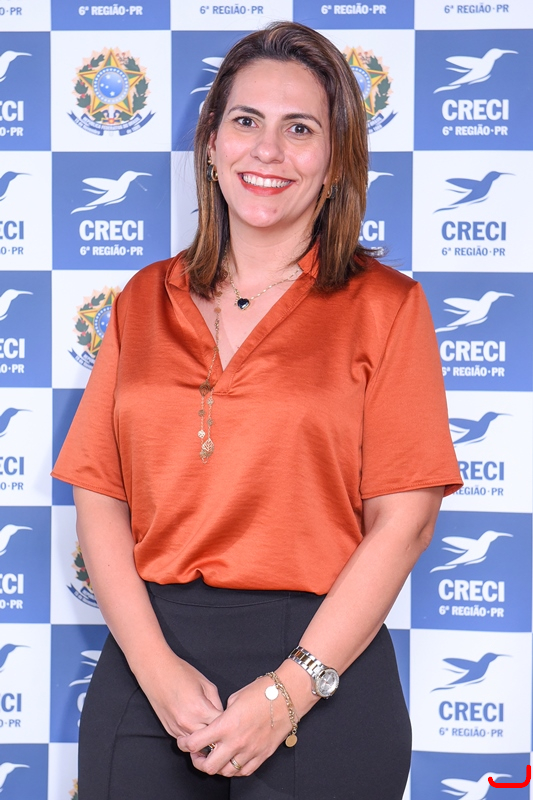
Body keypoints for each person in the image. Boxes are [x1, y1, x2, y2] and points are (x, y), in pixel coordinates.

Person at [52, 21, 462, 800]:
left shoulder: (388, 306)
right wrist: (155, 670)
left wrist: (288, 691)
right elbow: (99, 496)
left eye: (299, 129)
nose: (267, 150)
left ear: (335, 160)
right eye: (246, 121)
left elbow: (404, 522)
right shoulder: (143, 298)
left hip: (322, 666)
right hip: (150, 665)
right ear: (211, 142)